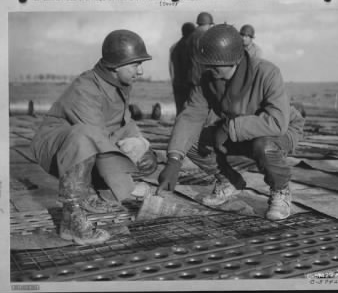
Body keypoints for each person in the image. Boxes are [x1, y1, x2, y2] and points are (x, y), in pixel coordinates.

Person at [157, 24, 305, 221]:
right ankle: (229, 181)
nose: (208, 68)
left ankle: (281, 190)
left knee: (264, 146)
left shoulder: (267, 73)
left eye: (214, 64)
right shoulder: (207, 80)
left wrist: (230, 128)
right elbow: (190, 116)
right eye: (206, 64)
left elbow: (277, 122)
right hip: (238, 132)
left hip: (281, 131)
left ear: (233, 60)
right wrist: (174, 159)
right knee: (191, 141)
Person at [31, 30, 157, 245]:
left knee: (139, 154)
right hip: (56, 147)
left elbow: (122, 123)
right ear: (115, 67)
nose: (141, 71)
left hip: (89, 142)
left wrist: (142, 145)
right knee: (85, 136)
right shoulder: (86, 87)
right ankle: (71, 217)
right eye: (135, 65)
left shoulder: (119, 84)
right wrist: (127, 187)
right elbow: (97, 139)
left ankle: (90, 195)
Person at [169, 22, 196, 114]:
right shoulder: (191, 46)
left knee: (180, 110)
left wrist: (174, 82)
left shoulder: (173, 47)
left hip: (177, 83)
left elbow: (171, 67)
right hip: (188, 83)